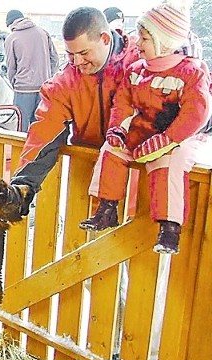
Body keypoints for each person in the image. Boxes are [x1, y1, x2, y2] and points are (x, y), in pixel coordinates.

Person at [79, 3, 211, 254]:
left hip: (179, 135)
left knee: (169, 164)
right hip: (146, 128)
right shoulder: (136, 70)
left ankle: (169, 226)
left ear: (164, 41)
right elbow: (124, 103)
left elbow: (197, 112)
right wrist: (117, 129)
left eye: (145, 38)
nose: (137, 42)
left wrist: (168, 139)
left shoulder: (190, 72)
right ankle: (107, 207)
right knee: (112, 150)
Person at [9, 7, 140, 214]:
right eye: (71, 54)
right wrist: (22, 186)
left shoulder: (142, 64)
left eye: (83, 53)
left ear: (104, 39)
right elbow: (45, 131)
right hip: (87, 176)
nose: (77, 62)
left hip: (136, 178)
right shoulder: (66, 82)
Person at [4, 10, 59, 132]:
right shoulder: (43, 33)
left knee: (20, 129)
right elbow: (55, 58)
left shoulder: (11, 38)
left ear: (10, 23)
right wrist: (49, 78)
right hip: (43, 89)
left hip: (23, 90)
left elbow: (11, 67)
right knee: (39, 128)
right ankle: (38, 152)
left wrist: (15, 83)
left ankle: (20, 151)